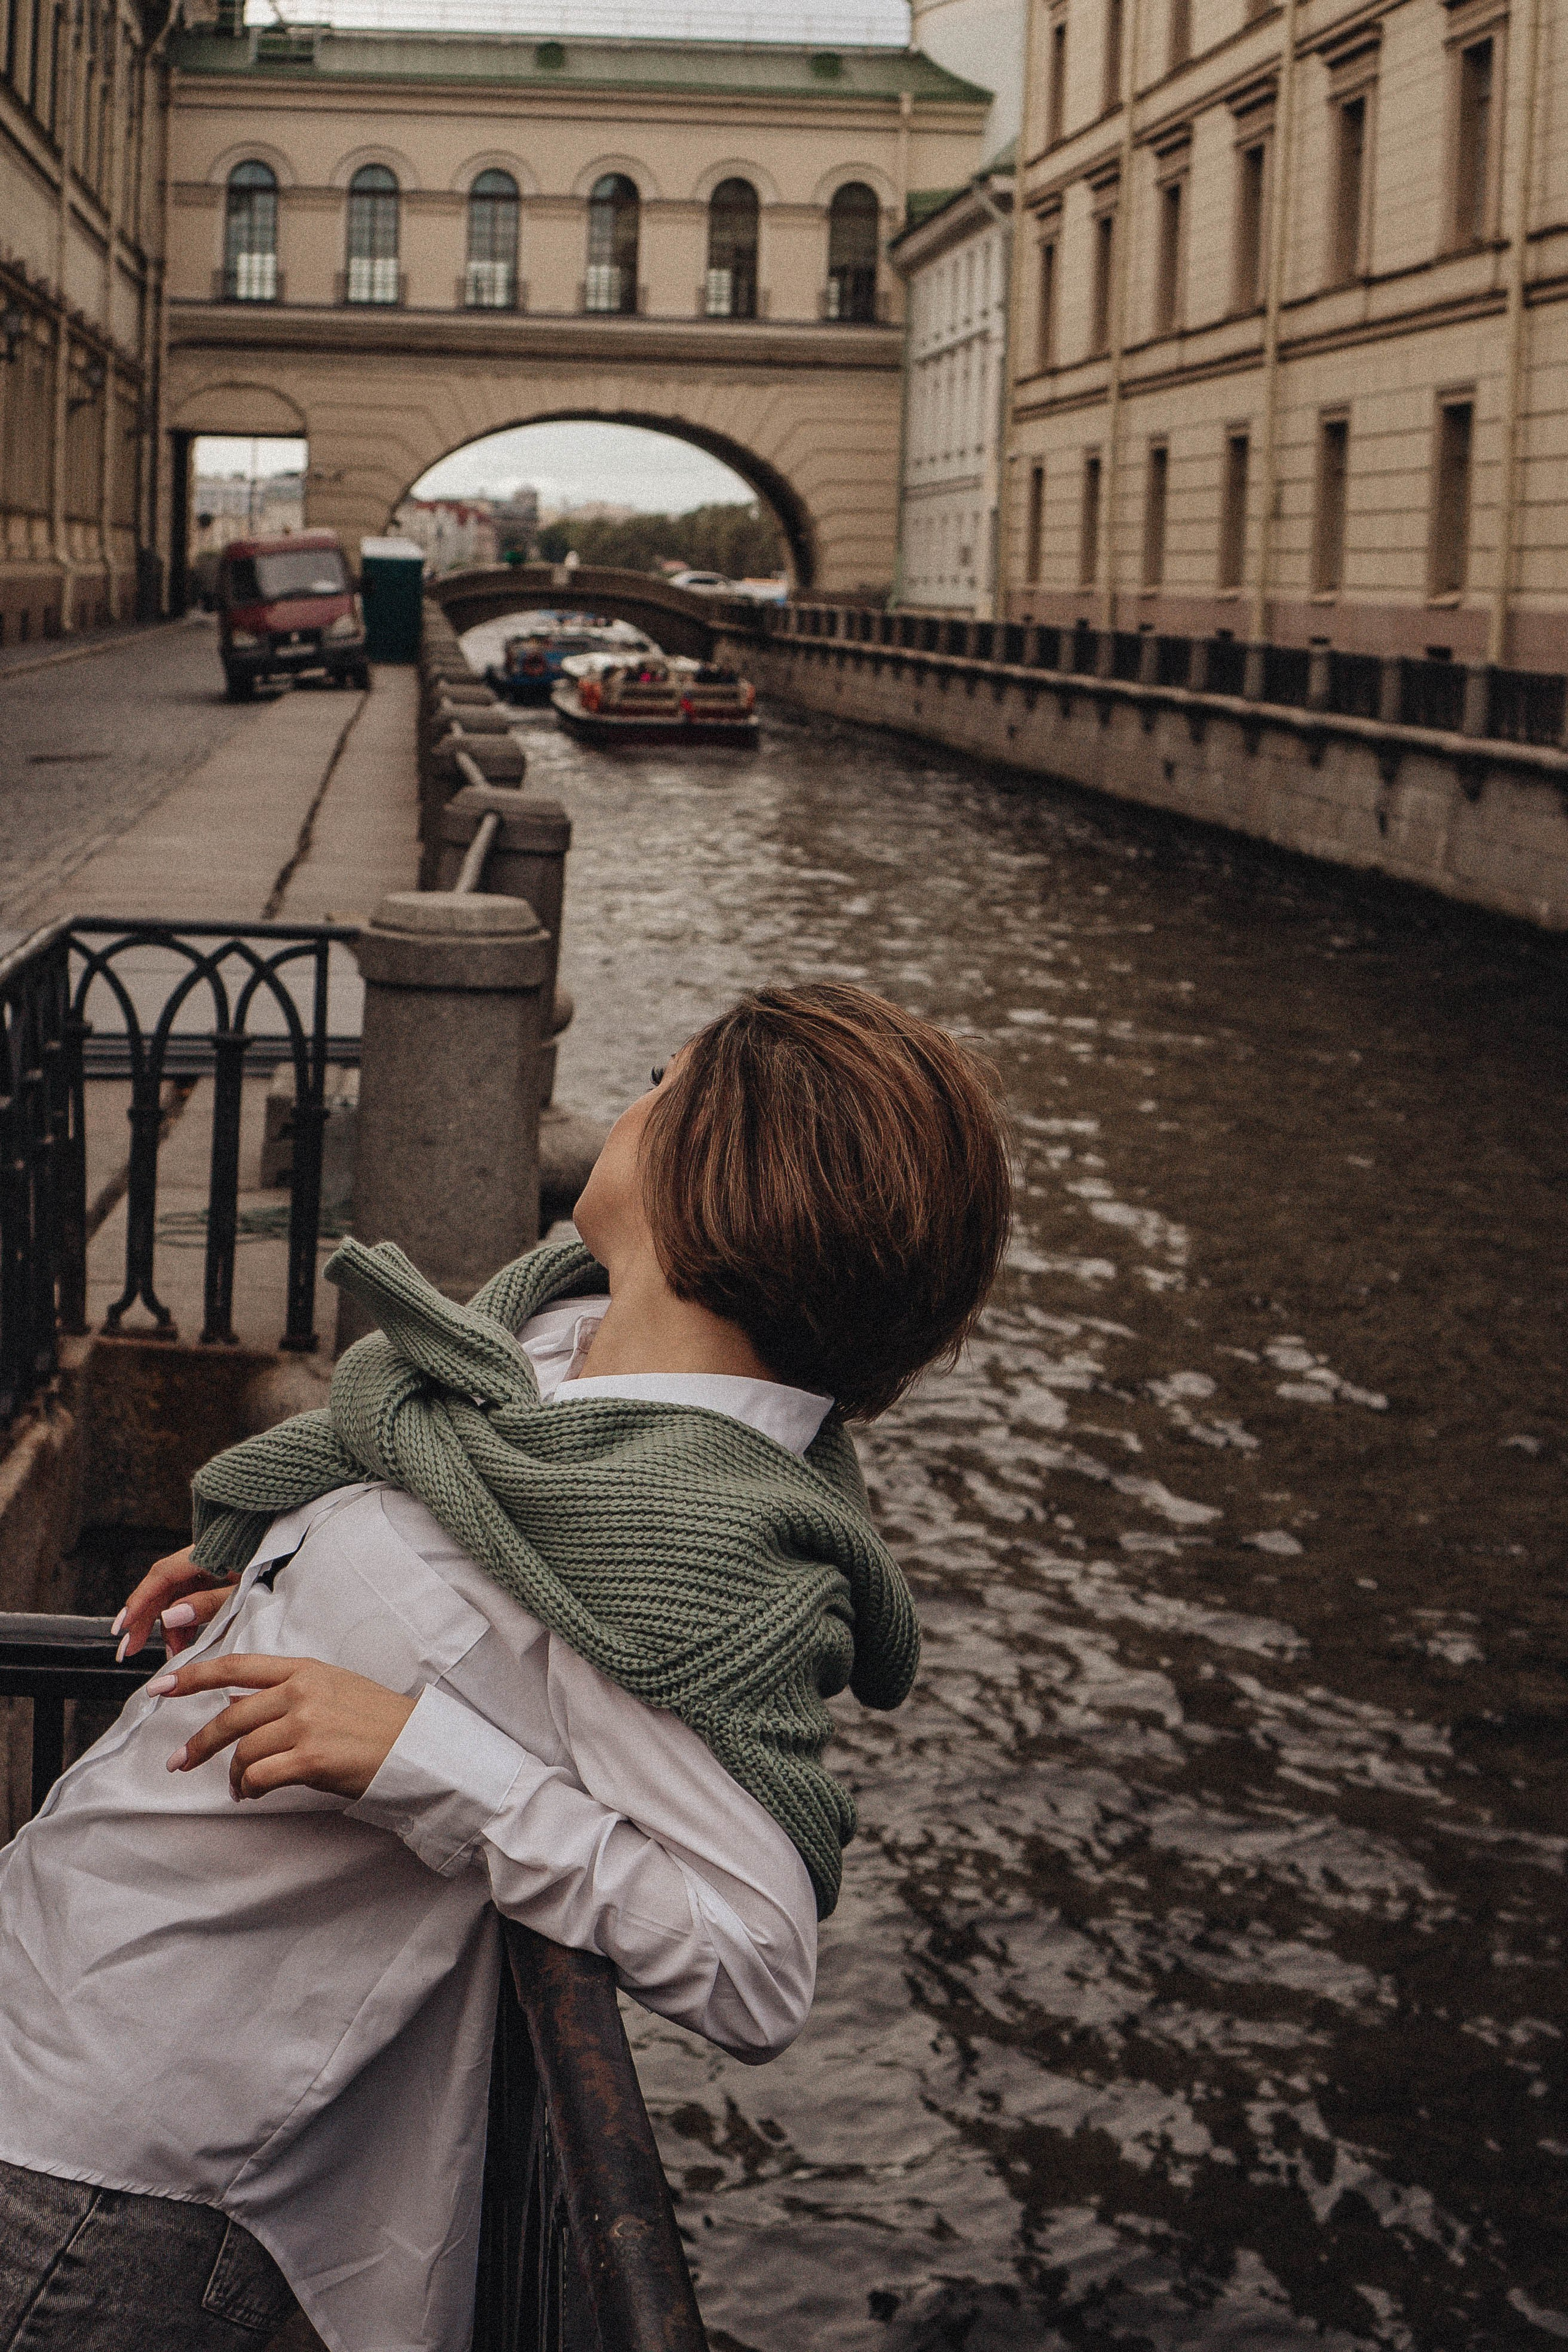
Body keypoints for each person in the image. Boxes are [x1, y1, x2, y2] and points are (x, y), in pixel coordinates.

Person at [0, 982, 1011, 2352]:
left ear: (725, 1167)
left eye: (664, 1077)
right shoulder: (549, 1374)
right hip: (53, 1994)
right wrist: (285, 1583)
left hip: (114, 2155)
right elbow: (461, 1595)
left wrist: (419, 1757)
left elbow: (754, 1959)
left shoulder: (679, 1545)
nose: (630, 1098)